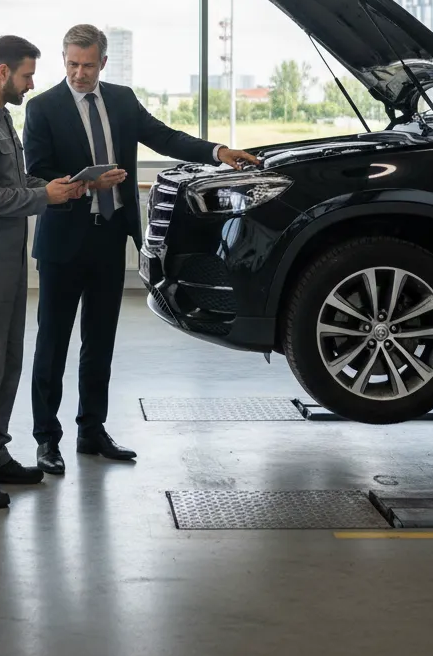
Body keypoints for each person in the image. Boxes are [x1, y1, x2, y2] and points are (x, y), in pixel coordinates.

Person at [22, 24, 259, 473]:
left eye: (88, 65)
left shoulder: (122, 99)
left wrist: (218, 151)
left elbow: (166, 137)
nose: (78, 73)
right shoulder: (42, 108)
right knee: (52, 343)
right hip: (63, 242)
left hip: (110, 237)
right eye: (72, 63)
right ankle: (46, 440)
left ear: (103, 63)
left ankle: (92, 431)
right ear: (64, 59)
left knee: (100, 342)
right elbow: (38, 172)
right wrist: (89, 180)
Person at [0, 34, 87, 509]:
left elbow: (14, 183)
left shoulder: (1, 118)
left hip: (7, 257)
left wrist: (56, 186)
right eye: (27, 74)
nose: (31, 84)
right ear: (2, 72)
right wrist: (44, 198)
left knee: (6, 361)